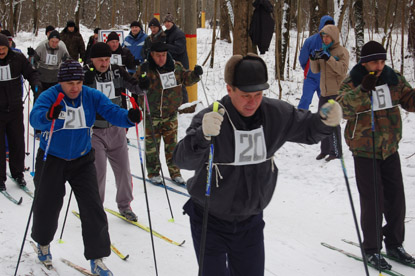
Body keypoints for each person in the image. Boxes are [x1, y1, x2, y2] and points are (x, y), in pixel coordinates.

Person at [173, 53, 342, 276]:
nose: (252, 102)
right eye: (245, 95)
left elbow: (308, 129)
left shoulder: (275, 114)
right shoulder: (212, 118)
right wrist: (202, 136)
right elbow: (182, 159)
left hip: (250, 220)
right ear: (229, 89)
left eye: (258, 94)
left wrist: (324, 121)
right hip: (209, 219)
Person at [29, 60, 142, 275]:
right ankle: (43, 244)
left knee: (93, 208)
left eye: (79, 82)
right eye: (70, 83)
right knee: (47, 205)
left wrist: (128, 118)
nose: (75, 87)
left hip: (82, 159)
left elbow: (110, 111)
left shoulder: (90, 95)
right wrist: (48, 116)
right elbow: (36, 118)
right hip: (52, 157)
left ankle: (97, 258)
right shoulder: (51, 96)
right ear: (60, 82)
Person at [337, 41, 415, 270]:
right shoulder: (352, 81)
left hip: (389, 147)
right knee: (373, 201)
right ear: (364, 62)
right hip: (364, 149)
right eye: (374, 62)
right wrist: (363, 90)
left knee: (396, 199)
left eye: (382, 61)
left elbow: (409, 100)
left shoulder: (393, 78)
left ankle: (394, 244)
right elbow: (342, 109)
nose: (379, 66)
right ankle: (371, 249)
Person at [83, 42, 147, 221]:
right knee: (98, 172)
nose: (104, 64)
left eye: (107, 59)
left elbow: (134, 86)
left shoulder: (117, 71)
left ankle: (125, 206)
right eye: (100, 60)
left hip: (117, 129)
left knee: (124, 171)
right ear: (92, 60)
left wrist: (143, 85)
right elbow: (74, 93)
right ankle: (95, 207)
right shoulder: (86, 73)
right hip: (95, 131)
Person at [133, 42, 202, 185]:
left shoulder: (175, 67)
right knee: (152, 146)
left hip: (170, 114)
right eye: (158, 56)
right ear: (152, 55)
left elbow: (186, 78)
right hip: (152, 114)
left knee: (172, 145)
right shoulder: (145, 68)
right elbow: (134, 85)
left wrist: (195, 74)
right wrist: (141, 82)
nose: (161, 58)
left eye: (164, 55)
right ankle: (153, 172)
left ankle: (175, 172)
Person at [0, 33, 41, 191]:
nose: (1, 51)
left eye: (3, 48)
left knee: (17, 142)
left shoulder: (17, 58)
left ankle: (18, 173)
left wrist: (36, 83)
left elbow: (31, 72)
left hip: (15, 107)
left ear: (8, 46)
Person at [310, 24, 349, 161]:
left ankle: (336, 151)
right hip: (324, 92)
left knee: (333, 122)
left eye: (328, 36)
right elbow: (315, 71)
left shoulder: (341, 51)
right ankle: (325, 150)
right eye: (323, 36)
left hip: (335, 93)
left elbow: (342, 70)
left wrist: (329, 58)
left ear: (334, 37)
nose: (325, 39)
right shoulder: (323, 50)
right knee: (322, 121)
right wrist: (313, 58)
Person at [298, 15, 335, 110]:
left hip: (325, 80)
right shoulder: (311, 41)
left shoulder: (333, 43)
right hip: (310, 78)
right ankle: (299, 122)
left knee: (327, 104)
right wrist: (308, 70)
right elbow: (303, 58)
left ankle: (329, 123)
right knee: (305, 101)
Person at [163, 13, 189, 103]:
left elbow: (179, 49)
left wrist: (166, 47)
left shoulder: (179, 33)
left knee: (181, 87)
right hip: (170, 65)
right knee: (172, 87)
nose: (167, 24)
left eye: (169, 22)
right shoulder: (165, 33)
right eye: (165, 22)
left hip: (181, 65)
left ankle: (184, 106)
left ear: (173, 22)